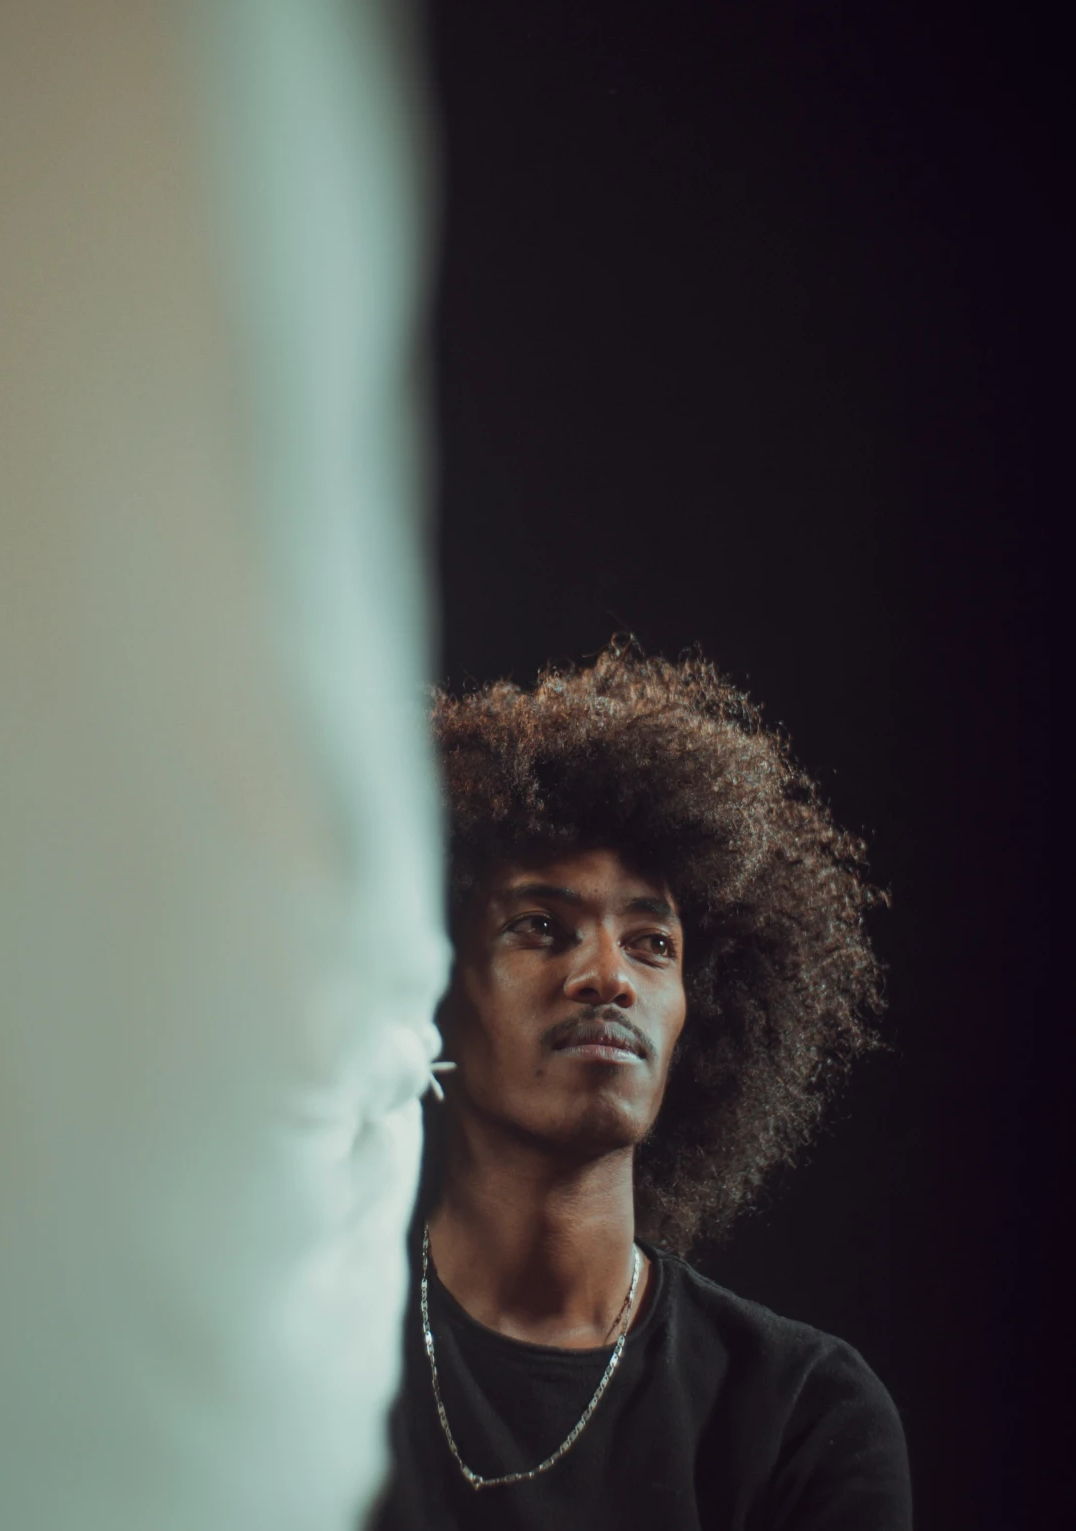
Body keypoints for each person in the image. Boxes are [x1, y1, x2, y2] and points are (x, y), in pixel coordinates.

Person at [377, 644, 913, 1529]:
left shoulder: (803, 1415)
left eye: (652, 943)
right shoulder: (322, 1341)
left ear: (696, 1014)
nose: (608, 976)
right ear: (438, 988)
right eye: (542, 927)